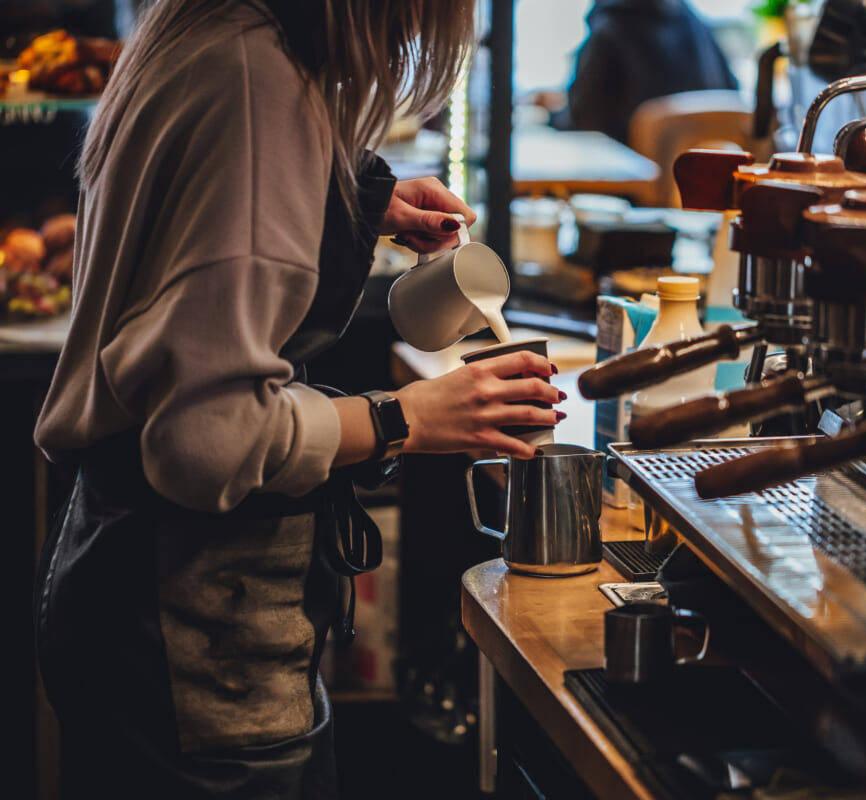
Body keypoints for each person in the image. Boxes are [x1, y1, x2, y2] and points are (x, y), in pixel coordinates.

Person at [31, 1, 564, 797]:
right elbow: (207, 440)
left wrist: (344, 197)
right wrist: (405, 417)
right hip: (190, 632)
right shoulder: (259, 79)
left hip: (118, 579)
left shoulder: (208, 30)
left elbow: (197, 231)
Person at [548, 0, 740, 145]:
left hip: (634, 187)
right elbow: (731, 96)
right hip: (705, 183)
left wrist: (551, 115)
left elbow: (585, 123)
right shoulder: (697, 26)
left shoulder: (609, 29)